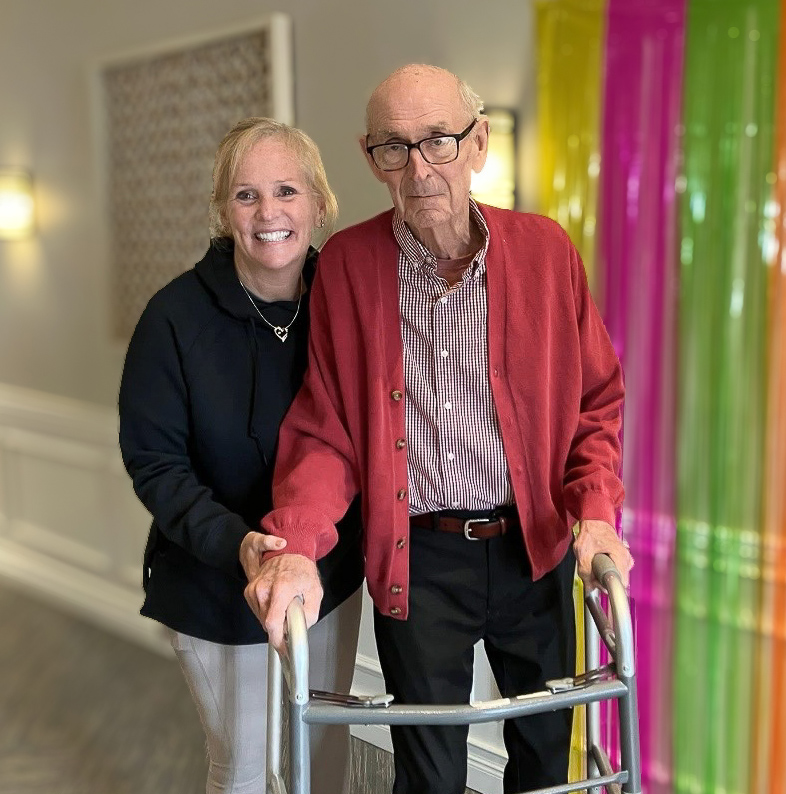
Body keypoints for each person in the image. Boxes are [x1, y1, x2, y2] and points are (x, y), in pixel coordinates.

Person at [245, 65, 633, 794]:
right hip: (418, 560)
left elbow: (595, 403)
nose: (419, 168)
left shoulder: (546, 252)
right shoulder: (351, 269)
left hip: (536, 547)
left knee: (550, 761)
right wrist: (295, 544)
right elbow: (326, 430)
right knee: (429, 773)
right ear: (371, 160)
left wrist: (596, 513)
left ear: (479, 142)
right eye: (395, 148)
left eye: (439, 142)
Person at [118, 117, 364, 794]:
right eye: (246, 195)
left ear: (318, 201)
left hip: (327, 578)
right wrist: (241, 543)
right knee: (249, 768)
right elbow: (156, 463)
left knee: (325, 748)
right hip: (216, 584)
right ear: (224, 211)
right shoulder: (174, 318)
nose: (269, 213)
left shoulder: (346, 304)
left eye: (286, 190)